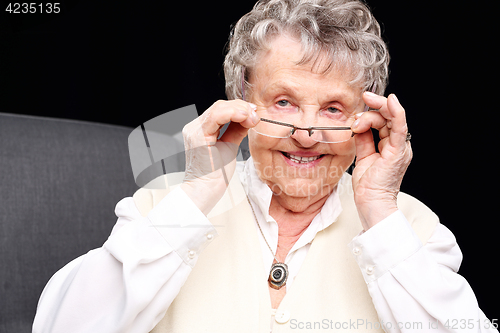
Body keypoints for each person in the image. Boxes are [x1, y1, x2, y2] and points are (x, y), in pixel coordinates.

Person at [33, 0, 497, 332]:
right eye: (284, 102)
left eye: (334, 109)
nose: (307, 134)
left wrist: (378, 209)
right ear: (241, 104)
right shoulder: (166, 204)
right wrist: (196, 196)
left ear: (367, 120)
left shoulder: (410, 229)